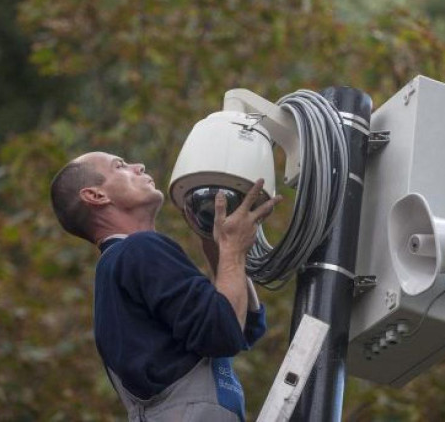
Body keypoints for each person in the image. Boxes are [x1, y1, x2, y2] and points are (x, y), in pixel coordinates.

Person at [49, 151, 281, 421]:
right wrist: (232, 249)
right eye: (120, 166)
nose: (139, 166)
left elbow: (245, 327)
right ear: (96, 196)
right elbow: (223, 333)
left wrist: (216, 246)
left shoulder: (122, 264)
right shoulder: (139, 250)